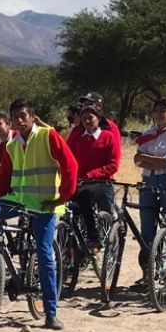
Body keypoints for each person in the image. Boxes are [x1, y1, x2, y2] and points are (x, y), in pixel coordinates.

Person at [0, 98, 77, 330]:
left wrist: (62, 197)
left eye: (23, 116)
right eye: (15, 117)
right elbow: (3, 177)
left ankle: (51, 313)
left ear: (32, 117)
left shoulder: (48, 136)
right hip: (17, 201)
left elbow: (70, 166)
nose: (20, 121)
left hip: (44, 205)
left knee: (45, 254)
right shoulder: (11, 145)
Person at [130, 98, 166, 290]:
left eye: (163, 110)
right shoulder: (148, 134)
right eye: (156, 110)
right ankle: (147, 274)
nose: (159, 114)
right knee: (146, 229)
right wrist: (154, 160)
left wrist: (149, 159)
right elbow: (137, 160)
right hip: (149, 181)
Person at [67, 105, 121, 250]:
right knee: (70, 206)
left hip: (101, 182)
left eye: (90, 117)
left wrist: (91, 175)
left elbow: (113, 165)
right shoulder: (77, 137)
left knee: (91, 200)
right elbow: (68, 158)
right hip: (80, 182)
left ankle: (96, 238)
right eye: (84, 118)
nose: (87, 121)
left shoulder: (108, 137)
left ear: (99, 118)